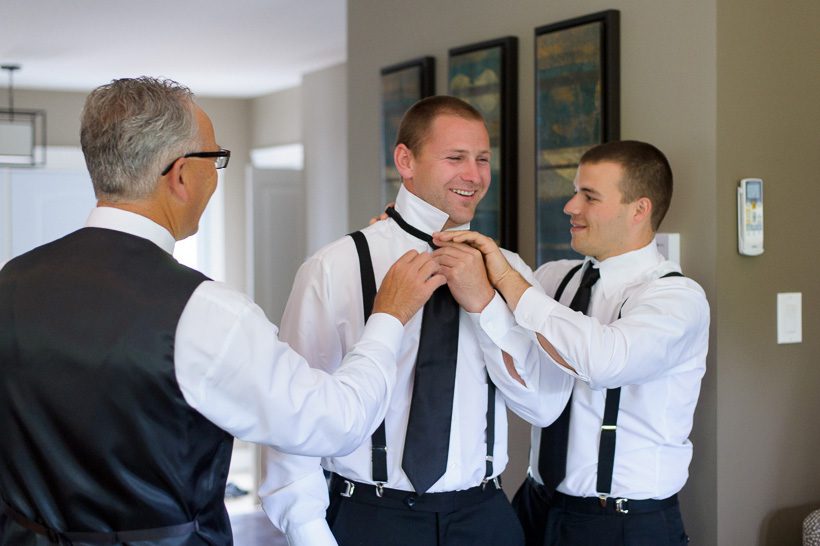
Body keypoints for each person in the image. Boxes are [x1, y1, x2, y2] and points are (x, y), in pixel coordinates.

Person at [0, 76, 445, 545]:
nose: (215, 175)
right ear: (180, 174)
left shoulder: (11, 281)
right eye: (215, 159)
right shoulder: (204, 313)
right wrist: (388, 316)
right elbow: (337, 423)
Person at [259, 95, 573, 546]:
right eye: (455, 158)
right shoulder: (336, 266)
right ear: (405, 160)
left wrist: (486, 306)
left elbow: (543, 405)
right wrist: (307, 531)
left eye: (483, 159)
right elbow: (294, 412)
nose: (474, 175)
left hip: (483, 518)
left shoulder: (510, 271)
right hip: (370, 519)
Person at [434, 140, 710, 546]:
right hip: (535, 506)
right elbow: (489, 282)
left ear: (639, 209)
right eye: (574, 191)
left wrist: (510, 281)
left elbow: (605, 361)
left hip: (624, 525)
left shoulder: (677, 299)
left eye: (589, 196)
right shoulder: (553, 278)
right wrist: (404, 236)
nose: (570, 206)